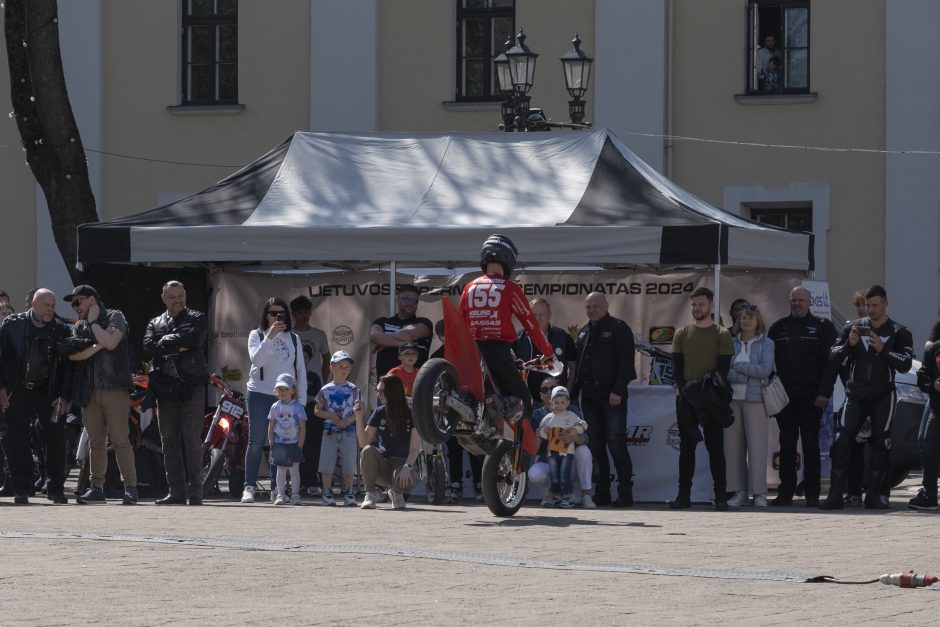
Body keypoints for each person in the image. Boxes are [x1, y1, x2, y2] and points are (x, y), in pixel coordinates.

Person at [820, 285, 914, 510]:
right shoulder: (852, 327)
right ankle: (835, 495)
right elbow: (832, 357)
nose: (870, 310)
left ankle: (874, 496)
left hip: (883, 394)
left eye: (875, 306)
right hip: (856, 393)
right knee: (843, 441)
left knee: (881, 443)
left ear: (885, 304)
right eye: (868, 306)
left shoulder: (899, 331)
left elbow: (905, 363)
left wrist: (883, 349)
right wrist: (848, 346)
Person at [459, 234, 553, 423]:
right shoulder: (510, 288)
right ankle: (495, 408)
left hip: (471, 352)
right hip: (497, 352)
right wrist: (547, 351)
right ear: (508, 259)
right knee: (525, 402)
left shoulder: (469, 287)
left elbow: (460, 323)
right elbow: (531, 324)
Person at [66, 285, 139, 505]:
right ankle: (96, 488)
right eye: (73, 303)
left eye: (78, 302)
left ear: (91, 300)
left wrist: (95, 324)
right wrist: (99, 345)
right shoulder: (79, 326)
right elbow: (74, 355)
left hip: (115, 388)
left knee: (120, 440)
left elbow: (112, 342)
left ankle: (130, 488)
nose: (75, 307)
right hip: (89, 391)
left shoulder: (115, 316)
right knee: (95, 442)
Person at [766, 286, 838, 507]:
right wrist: (771, 393)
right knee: (786, 445)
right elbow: (769, 365)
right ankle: (785, 493)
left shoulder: (822, 327)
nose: (796, 304)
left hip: (811, 397)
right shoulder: (778, 328)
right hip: (785, 398)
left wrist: (824, 393)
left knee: (810, 446)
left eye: (801, 300)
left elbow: (831, 364)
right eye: (793, 300)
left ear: (809, 302)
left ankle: (813, 494)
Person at [0, 288, 71, 504]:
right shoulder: (12, 324)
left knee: (56, 440)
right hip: (17, 390)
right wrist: (1, 386)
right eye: (46, 305)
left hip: (48, 393)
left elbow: (68, 367)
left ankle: (55, 488)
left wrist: (64, 396)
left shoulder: (60, 329)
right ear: (33, 304)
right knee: (16, 440)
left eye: (53, 305)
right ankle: (22, 488)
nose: (50, 309)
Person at [142, 280, 209, 506]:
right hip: (165, 387)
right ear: (163, 298)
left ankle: (195, 492)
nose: (177, 300)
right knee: (168, 440)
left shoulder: (197, 317)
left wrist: (168, 340)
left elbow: (195, 339)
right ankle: (176, 491)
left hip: (191, 386)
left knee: (192, 440)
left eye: (180, 296)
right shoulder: (155, 322)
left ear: (186, 295)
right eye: (172, 297)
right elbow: (148, 348)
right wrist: (177, 343)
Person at [669, 287, 734, 511]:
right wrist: (687, 392)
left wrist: (702, 393)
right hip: (686, 399)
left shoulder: (722, 334)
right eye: (694, 304)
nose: (697, 308)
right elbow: (676, 369)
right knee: (687, 448)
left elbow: (722, 371)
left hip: (712, 400)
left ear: (711, 305)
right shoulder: (681, 333)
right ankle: (683, 496)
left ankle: (721, 497)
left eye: (701, 304)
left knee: (716, 448)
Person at [571, 291, 637, 507]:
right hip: (589, 399)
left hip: (612, 398)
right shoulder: (583, 333)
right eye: (588, 307)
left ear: (606, 305)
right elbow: (580, 367)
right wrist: (573, 394)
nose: (591, 310)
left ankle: (625, 493)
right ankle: (603, 492)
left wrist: (618, 390)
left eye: (595, 306)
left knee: (617, 444)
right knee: (596, 447)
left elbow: (627, 362)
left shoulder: (619, 328)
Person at [242, 297, 307, 504]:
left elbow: (300, 371)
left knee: (279, 442)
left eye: (281, 313)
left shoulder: (294, 338)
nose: (277, 317)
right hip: (259, 393)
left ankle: (275, 488)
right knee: (256, 441)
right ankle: (249, 487)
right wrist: (269, 336)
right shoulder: (257, 334)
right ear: (265, 315)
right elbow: (256, 360)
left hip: (285, 397)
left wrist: (302, 402)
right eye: (273, 313)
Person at [724, 305, 774, 508]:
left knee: (757, 448)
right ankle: (740, 491)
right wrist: (743, 372)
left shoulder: (766, 343)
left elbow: (765, 370)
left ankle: (759, 493)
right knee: (733, 449)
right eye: (743, 318)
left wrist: (739, 367)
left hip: (756, 400)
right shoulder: (731, 342)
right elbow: (725, 371)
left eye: (751, 318)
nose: (746, 321)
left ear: (758, 321)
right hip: (732, 400)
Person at [357, 374, 422, 510]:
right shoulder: (378, 412)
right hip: (384, 464)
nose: (379, 394)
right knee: (367, 451)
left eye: (382, 391)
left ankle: (396, 493)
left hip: (403, 464)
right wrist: (358, 418)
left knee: (404, 479)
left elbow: (415, 448)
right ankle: (369, 495)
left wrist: (407, 467)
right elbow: (364, 442)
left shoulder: (411, 414)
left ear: (393, 391)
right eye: (378, 391)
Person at [528, 377, 594, 509]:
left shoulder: (573, 411)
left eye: (552, 388)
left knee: (584, 451)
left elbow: (586, 437)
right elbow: (532, 450)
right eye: (544, 389)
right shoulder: (536, 415)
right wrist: (540, 435)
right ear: (540, 395)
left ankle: (585, 495)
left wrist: (576, 436)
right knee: (534, 473)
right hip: (549, 460)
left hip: (570, 459)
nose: (548, 392)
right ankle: (550, 496)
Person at [290, 295, 330, 498]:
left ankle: (312, 480)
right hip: (292, 395)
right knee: (294, 439)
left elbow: (327, 357)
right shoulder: (288, 334)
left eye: (306, 311)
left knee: (314, 439)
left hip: (315, 395)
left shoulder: (319, 334)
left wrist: (323, 381)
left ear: (310, 312)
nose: (303, 315)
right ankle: (294, 481)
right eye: (299, 312)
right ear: (293, 314)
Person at [314, 350, 362, 506]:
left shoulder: (354, 389)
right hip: (330, 432)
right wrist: (330, 416)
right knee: (327, 463)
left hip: (349, 432)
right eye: (340, 366)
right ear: (331, 368)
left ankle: (349, 493)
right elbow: (317, 410)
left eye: (347, 367)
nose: (344, 370)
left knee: (349, 464)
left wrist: (348, 420)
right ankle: (327, 493)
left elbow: (359, 411)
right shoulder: (325, 390)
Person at [514, 298, 578, 397]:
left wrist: (566, 393)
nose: (538, 318)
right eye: (534, 315)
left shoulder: (562, 336)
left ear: (549, 316)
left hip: (557, 403)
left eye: (541, 314)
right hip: (528, 401)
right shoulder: (518, 338)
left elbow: (573, 367)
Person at [370, 285, 433, 380]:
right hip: (387, 387)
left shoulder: (424, 322)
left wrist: (385, 342)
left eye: (413, 300)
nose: (410, 303)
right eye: (406, 299)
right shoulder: (382, 321)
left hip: (417, 387)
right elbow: (374, 336)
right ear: (397, 300)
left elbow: (411, 334)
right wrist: (404, 343)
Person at [909, 339, 940, 510]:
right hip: (937, 408)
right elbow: (923, 375)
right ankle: (929, 495)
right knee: (928, 447)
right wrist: (933, 384)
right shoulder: (935, 349)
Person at [267, 373, 307, 506]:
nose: (283, 392)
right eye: (280, 389)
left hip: (294, 443)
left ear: (293, 390)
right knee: (280, 470)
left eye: (286, 389)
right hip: (279, 444)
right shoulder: (274, 407)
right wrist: (271, 441)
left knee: (295, 470)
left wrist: (300, 443)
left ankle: (295, 495)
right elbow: (271, 425)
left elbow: (302, 426)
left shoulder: (298, 406)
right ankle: (280, 495)